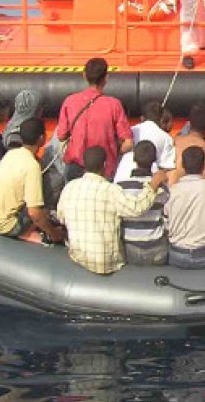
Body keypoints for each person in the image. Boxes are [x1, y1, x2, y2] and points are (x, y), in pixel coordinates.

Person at [57, 146, 168, 275]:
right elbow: (137, 208)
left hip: (78, 259)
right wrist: (153, 185)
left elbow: (61, 217)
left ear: (83, 164)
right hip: (106, 264)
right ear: (104, 165)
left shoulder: (69, 188)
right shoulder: (112, 190)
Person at [0, 118, 65, 244]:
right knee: (43, 211)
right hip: (8, 226)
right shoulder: (31, 167)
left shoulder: (11, 154)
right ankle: (27, 232)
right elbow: (34, 212)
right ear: (41, 139)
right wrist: (53, 233)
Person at [55, 58, 133, 182]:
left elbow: (61, 135)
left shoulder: (70, 101)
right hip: (103, 169)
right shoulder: (114, 105)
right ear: (106, 78)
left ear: (84, 75)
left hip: (75, 167)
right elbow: (128, 143)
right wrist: (113, 148)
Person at [164, 146, 205, 269]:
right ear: (204, 165)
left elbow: (166, 221)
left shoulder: (172, 191)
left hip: (177, 255)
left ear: (182, 166)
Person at [118, 141, 170, 265]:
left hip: (130, 246)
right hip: (156, 246)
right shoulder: (161, 187)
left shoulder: (121, 186)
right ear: (154, 160)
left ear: (134, 158)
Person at [115, 101, 176, 183]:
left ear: (142, 118)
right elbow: (166, 167)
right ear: (161, 119)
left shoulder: (130, 131)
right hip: (149, 184)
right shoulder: (166, 138)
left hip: (121, 178)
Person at [173, 103, 205, 180]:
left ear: (189, 122)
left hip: (167, 189)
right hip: (186, 190)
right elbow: (202, 180)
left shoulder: (174, 140)